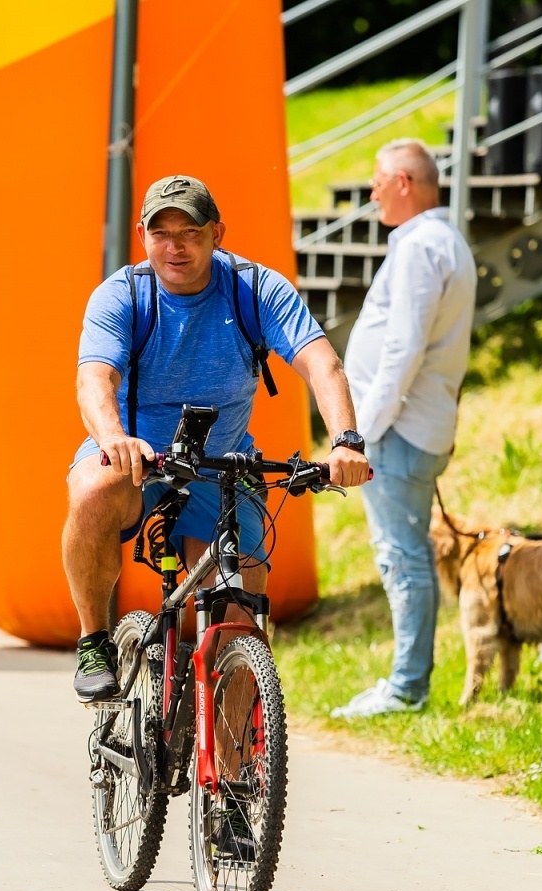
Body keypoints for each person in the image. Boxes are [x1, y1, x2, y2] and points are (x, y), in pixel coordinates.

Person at [64, 174, 370, 701]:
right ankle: (94, 639)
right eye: (161, 233)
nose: (175, 246)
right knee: (93, 488)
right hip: (135, 457)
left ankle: (233, 777)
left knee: (240, 626)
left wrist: (346, 440)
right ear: (142, 236)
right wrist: (115, 438)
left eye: (191, 231)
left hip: (223, 463)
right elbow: (95, 378)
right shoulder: (122, 295)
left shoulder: (256, 289)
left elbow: (323, 364)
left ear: (218, 233)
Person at [331, 138, 477, 720]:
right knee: (406, 555)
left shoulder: (422, 248)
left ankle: (406, 687)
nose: (370, 191)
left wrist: (356, 434)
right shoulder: (443, 242)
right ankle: (406, 681)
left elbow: (404, 350)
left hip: (398, 430)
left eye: (377, 180)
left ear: (405, 183)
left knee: (402, 558)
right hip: (415, 424)